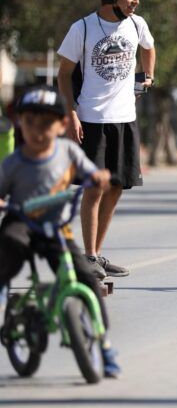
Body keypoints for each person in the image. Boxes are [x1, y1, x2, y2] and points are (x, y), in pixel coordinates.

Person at [0, 86, 121, 377]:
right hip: (22, 222)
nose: (38, 131)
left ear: (62, 125)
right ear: (20, 124)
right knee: (10, 244)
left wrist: (98, 176)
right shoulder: (13, 163)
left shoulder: (67, 151)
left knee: (88, 279)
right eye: (30, 123)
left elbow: (89, 172)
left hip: (55, 228)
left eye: (46, 124)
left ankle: (104, 346)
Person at [57, 0, 155, 279]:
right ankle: (87, 255)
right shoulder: (82, 29)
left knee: (116, 188)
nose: (135, 0)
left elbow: (149, 47)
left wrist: (148, 77)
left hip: (125, 118)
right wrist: (70, 112)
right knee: (96, 186)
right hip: (92, 119)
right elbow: (63, 74)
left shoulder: (137, 25)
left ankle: (95, 255)